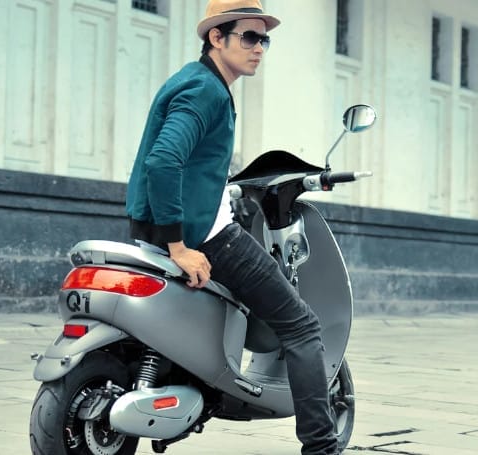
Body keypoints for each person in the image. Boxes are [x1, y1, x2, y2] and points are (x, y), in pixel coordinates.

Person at [125, 1, 340, 454]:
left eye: (265, 39)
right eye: (248, 36)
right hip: (207, 237)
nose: (259, 48)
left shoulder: (193, 80)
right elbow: (163, 161)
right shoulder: (206, 90)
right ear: (216, 38)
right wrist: (180, 245)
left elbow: (187, 162)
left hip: (154, 228)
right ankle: (321, 448)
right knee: (302, 327)